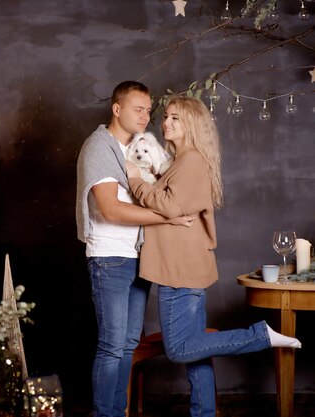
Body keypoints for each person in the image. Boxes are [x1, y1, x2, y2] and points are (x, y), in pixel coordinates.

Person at [125, 95, 301, 417]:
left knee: (179, 349)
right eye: (166, 117)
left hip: (179, 270)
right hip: (182, 266)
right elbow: (170, 207)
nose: (166, 123)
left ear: (192, 124)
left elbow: (169, 206)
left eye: (175, 118)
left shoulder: (190, 161)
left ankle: (260, 335)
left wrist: (135, 180)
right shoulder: (179, 161)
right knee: (194, 350)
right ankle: (204, 412)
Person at [75, 80, 195, 417]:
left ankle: (117, 410)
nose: (145, 116)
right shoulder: (101, 147)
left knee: (128, 344)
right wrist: (166, 218)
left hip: (139, 256)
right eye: (137, 109)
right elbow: (111, 209)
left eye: (148, 110)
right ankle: (105, 413)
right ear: (117, 109)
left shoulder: (138, 148)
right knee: (112, 347)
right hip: (110, 257)